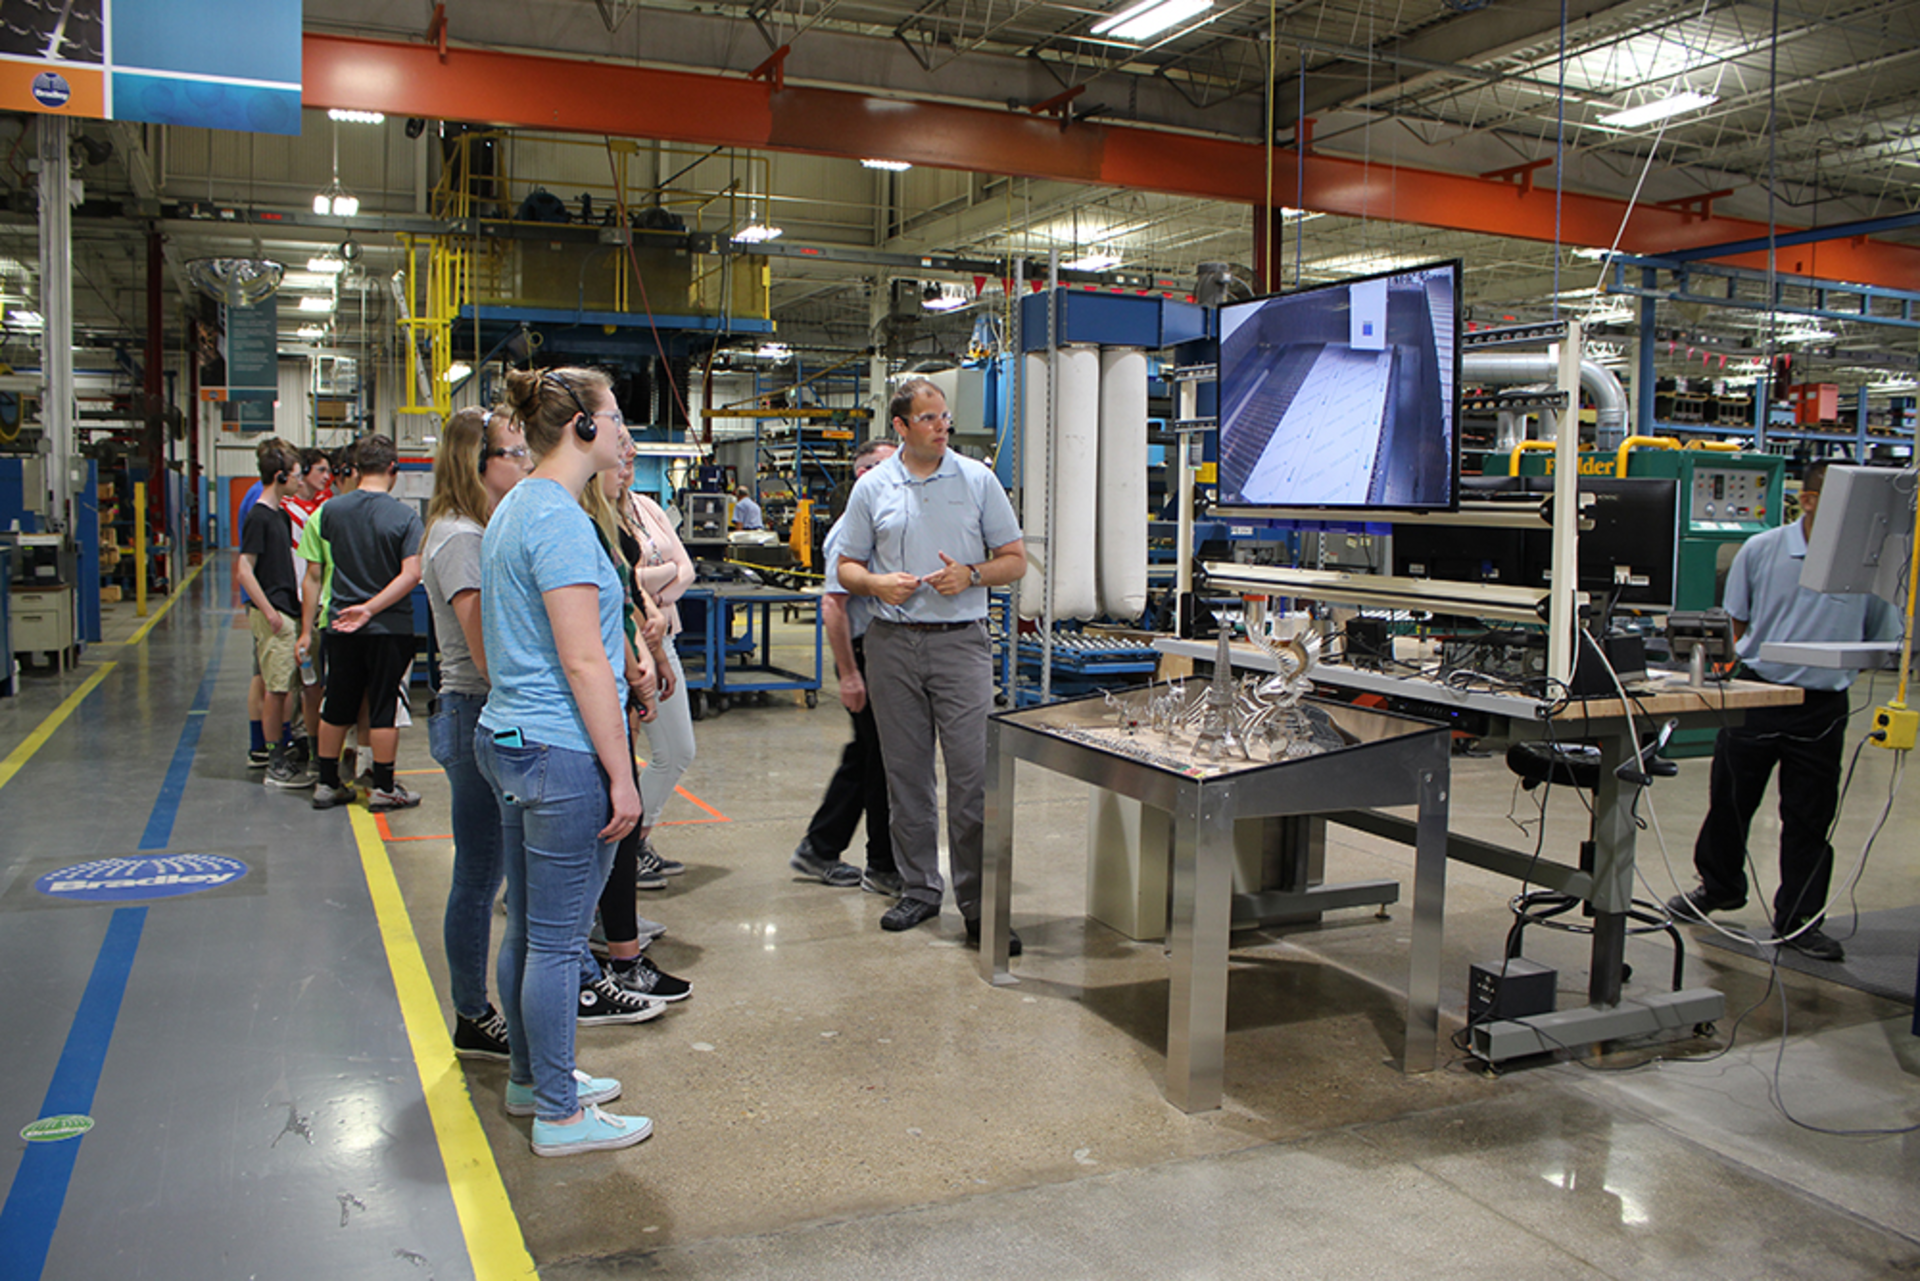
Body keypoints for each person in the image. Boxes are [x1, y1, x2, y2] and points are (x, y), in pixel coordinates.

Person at [477, 366, 655, 1157]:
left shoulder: (517, 504)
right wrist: (621, 774)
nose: (623, 432)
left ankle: (531, 1076)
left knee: (530, 929)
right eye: (614, 418)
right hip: (561, 750)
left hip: (512, 738)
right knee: (556, 942)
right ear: (581, 427)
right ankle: (559, 1109)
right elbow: (586, 663)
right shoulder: (559, 521)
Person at [1668, 461, 1903, 962]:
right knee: (1730, 801)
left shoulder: (1870, 564)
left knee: (1809, 817)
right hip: (1757, 694)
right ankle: (1719, 887)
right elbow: (1736, 621)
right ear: (1811, 499)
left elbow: (1880, 636)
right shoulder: (1762, 549)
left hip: (1820, 707)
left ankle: (1799, 919)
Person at [835, 378, 1025, 952]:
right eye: (928, 419)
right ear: (900, 426)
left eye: (944, 418)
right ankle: (919, 887)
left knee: (972, 780)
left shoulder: (976, 480)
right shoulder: (872, 489)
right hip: (893, 644)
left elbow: (1014, 562)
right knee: (906, 776)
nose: (942, 427)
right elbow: (845, 567)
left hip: (960, 643)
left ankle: (979, 905)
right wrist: (874, 583)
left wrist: (971, 574)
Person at [421, 406, 532, 1062]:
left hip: (478, 708)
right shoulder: (460, 536)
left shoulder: (474, 528)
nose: (522, 464)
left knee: (485, 870)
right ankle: (470, 1010)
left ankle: (479, 1005)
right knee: (479, 872)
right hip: (474, 710)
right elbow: (485, 651)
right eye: (513, 454)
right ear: (477, 462)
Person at [580, 450, 693, 1007]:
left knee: (626, 809)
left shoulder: (635, 514)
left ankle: (617, 946)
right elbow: (614, 599)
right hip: (599, 683)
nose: (625, 462)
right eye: (615, 452)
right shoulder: (572, 521)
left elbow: (643, 585)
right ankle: (602, 951)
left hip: (643, 656)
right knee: (605, 814)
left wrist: (654, 658)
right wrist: (635, 668)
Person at [790, 439, 902, 895]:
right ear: (861, 475)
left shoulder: (890, 525)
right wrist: (849, 674)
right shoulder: (848, 530)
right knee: (878, 762)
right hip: (862, 653)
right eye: (876, 466)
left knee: (871, 756)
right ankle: (880, 864)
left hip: (887, 653)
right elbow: (833, 608)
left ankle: (821, 848)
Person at [298, 434, 425, 812]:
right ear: (393, 469)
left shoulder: (332, 512)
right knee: (385, 705)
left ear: (355, 469)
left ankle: (327, 781)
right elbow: (411, 574)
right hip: (390, 627)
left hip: (339, 624)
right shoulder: (405, 517)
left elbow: (320, 568)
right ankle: (383, 786)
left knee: (337, 702)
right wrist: (372, 607)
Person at [620, 462, 699, 880]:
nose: (625, 467)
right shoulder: (593, 512)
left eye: (630, 458)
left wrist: (654, 586)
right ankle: (625, 850)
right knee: (636, 758)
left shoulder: (647, 506)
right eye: (619, 458)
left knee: (679, 751)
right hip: (631, 642)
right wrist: (658, 581)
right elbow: (625, 583)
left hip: (662, 637)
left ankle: (635, 842)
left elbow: (686, 567)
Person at [236, 438, 309, 791]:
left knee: (285, 687)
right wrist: (269, 611)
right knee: (275, 690)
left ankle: (283, 751)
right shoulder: (260, 517)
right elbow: (244, 569)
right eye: (296, 475)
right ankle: (274, 759)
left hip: (286, 608)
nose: (300, 480)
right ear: (279, 476)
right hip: (274, 613)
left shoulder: (280, 514)